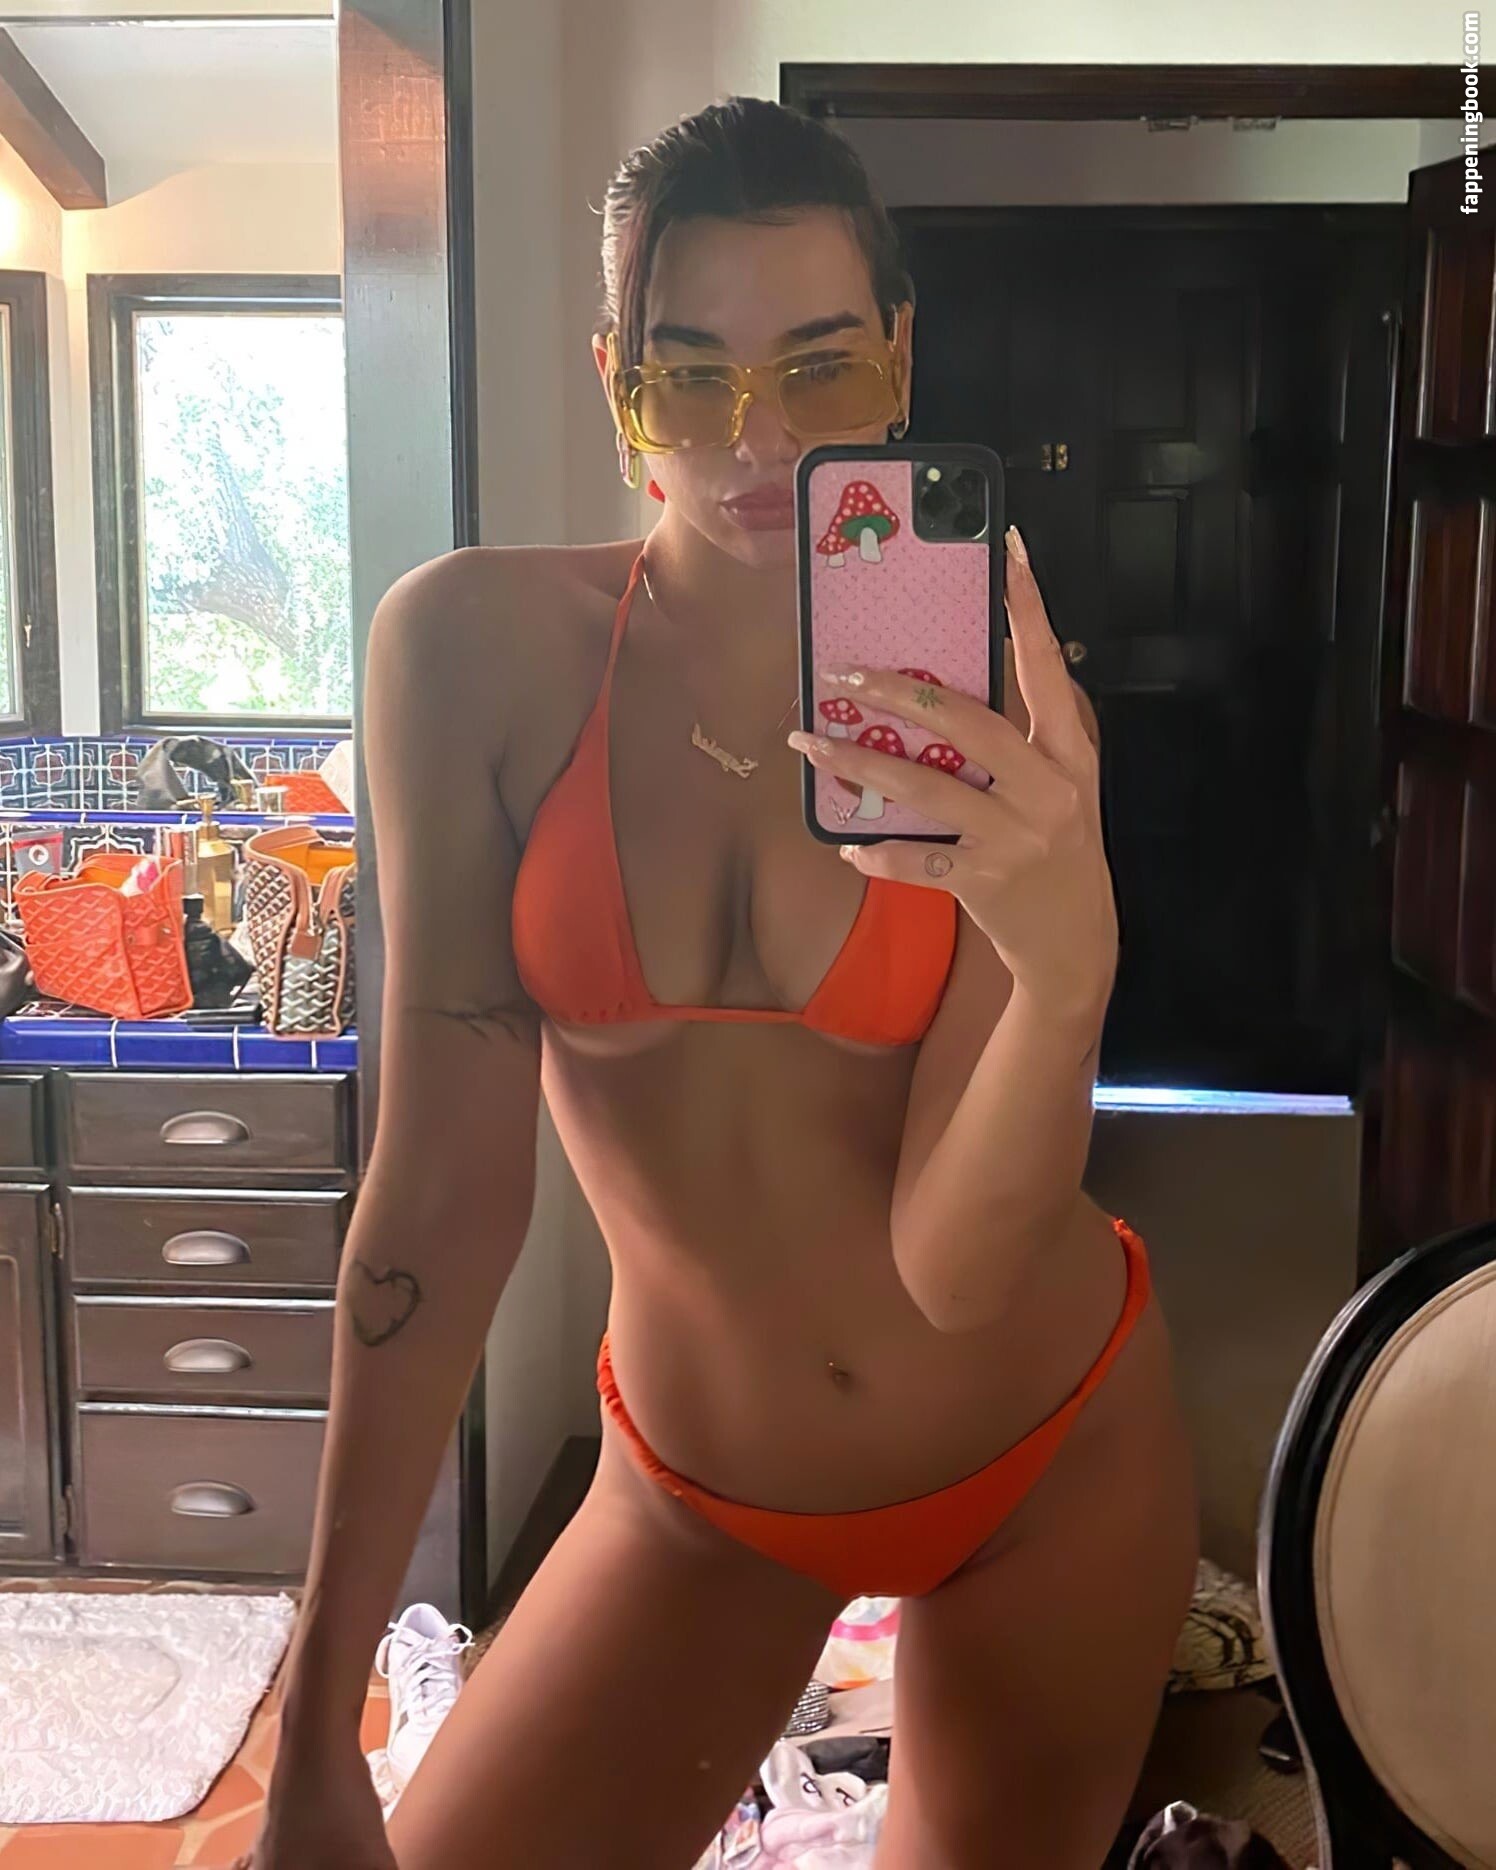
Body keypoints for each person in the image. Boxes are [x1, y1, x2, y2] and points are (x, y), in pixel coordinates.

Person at [227, 95, 1198, 1870]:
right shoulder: (470, 655)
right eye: (691, 376)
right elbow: (441, 1192)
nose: (757, 438)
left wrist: (1068, 978)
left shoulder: (992, 697)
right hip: (698, 1495)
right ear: (617, 384)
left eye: (821, 366)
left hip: (1048, 1451)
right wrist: (315, 1713)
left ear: (901, 360)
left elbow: (957, 1265)